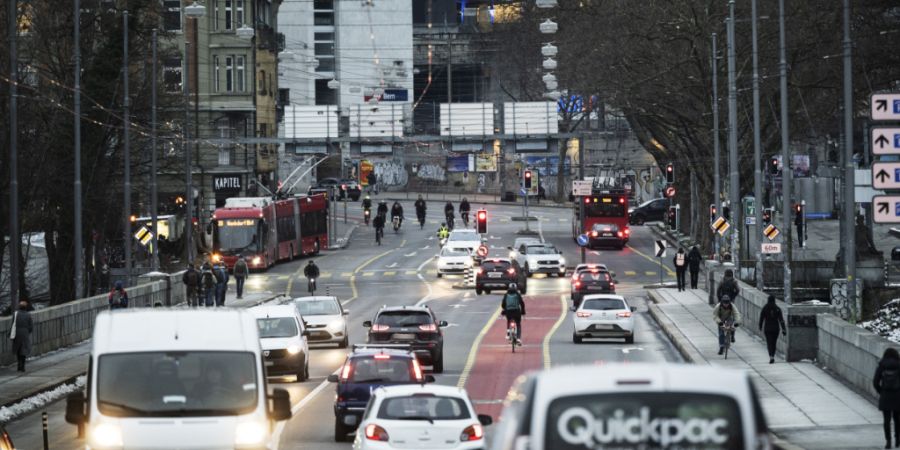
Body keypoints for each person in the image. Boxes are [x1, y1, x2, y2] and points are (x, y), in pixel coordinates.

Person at [874, 348, 900, 449]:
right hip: (897, 395)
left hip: (885, 395)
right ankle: (897, 439)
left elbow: (875, 382)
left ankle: (888, 442)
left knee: (886, 420)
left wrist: (881, 391)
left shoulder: (882, 365)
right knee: (897, 418)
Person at [758, 294, 787, 364]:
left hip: (767, 328)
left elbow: (761, 318)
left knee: (769, 342)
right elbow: (781, 320)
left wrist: (760, 326)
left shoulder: (765, 308)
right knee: (774, 343)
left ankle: (771, 356)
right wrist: (784, 329)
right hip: (775, 328)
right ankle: (772, 355)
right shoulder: (777, 308)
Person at [10, 300, 33, 372]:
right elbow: (31, 326)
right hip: (25, 334)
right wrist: (27, 332)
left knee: (18, 349)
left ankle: (18, 365)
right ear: (26, 307)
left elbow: (13, 324)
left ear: (19, 307)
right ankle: (22, 366)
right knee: (24, 350)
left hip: (17, 334)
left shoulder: (15, 314)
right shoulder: (28, 315)